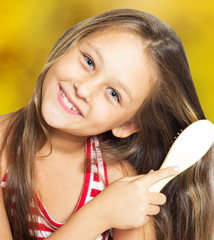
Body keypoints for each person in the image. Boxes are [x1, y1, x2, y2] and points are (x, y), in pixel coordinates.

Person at [0, 8, 213, 240]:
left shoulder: (118, 184)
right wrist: (99, 215)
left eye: (113, 93)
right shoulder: (2, 143)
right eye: (89, 61)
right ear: (69, 43)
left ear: (127, 125)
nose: (83, 89)